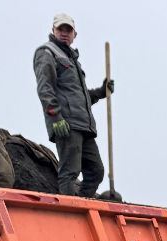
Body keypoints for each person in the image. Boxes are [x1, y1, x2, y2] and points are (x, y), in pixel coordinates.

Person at [33, 12, 113, 198]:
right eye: (61, 28)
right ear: (53, 30)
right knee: (70, 172)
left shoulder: (72, 60)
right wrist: (56, 118)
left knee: (96, 170)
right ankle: (70, 212)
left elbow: (80, 98)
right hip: (66, 124)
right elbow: (45, 89)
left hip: (83, 125)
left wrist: (102, 92)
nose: (64, 33)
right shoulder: (47, 53)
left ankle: (82, 202)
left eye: (68, 30)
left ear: (74, 34)